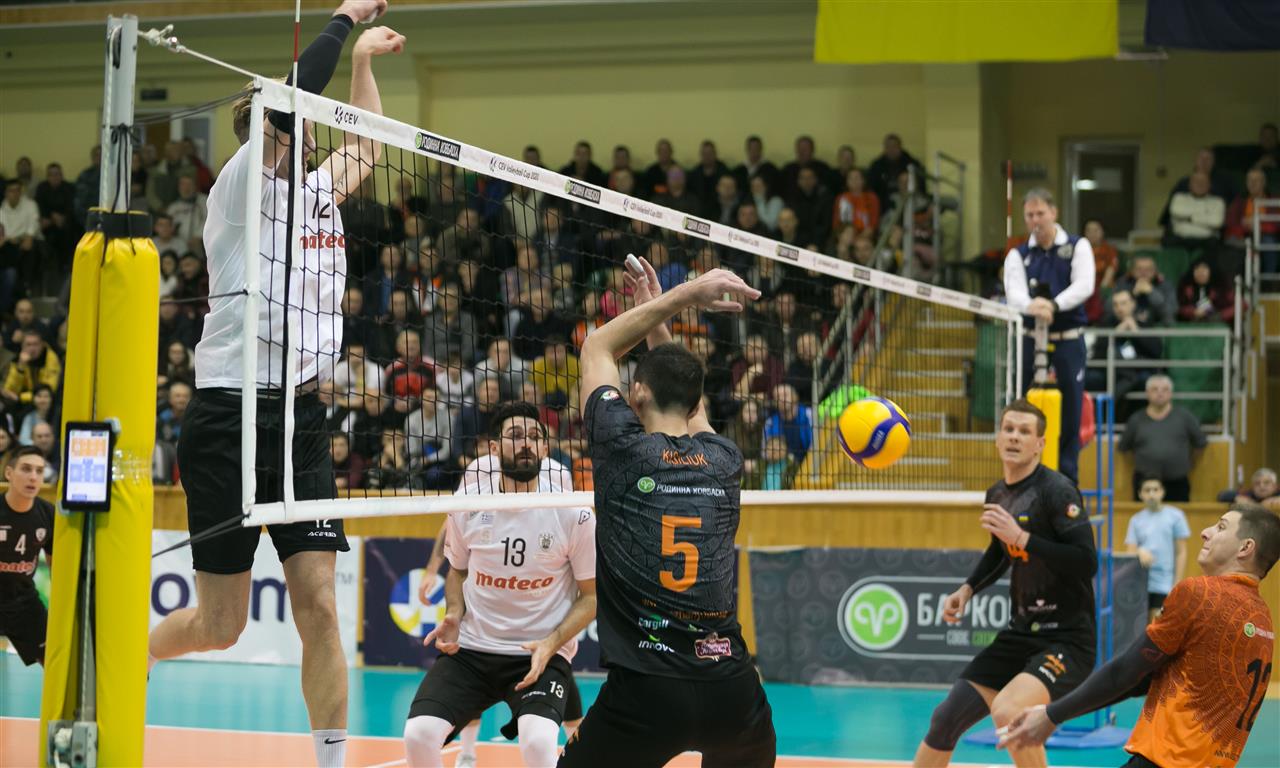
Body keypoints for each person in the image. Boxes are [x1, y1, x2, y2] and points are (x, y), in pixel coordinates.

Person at [146, 7, 402, 767]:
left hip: (302, 418)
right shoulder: (238, 188)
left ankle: (331, 761)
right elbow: (291, 99)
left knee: (319, 605)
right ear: (270, 130)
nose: (311, 133)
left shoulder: (319, 193)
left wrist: (363, 63)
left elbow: (368, 143)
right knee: (221, 625)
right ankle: (135, 653)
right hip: (229, 414)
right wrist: (343, 18)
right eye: (297, 124)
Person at [560, 256, 775, 767]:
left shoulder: (621, 448)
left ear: (636, 393)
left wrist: (680, 297)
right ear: (696, 403)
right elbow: (690, 404)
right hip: (733, 691)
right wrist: (661, 316)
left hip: (648, 692)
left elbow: (596, 347)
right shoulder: (724, 459)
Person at [1000, 504, 1279, 768]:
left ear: (1245, 547)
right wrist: (1056, 713)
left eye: (1221, 527)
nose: (1205, 532)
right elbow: (1142, 679)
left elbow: (1125, 672)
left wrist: (1050, 716)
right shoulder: (1263, 619)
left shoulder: (1200, 593)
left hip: (1166, 760)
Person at [405, 401, 597, 768]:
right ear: (494, 448)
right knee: (419, 735)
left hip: (540, 651)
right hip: (473, 649)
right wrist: (454, 612)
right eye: (515, 436)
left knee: (538, 744)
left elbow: (591, 598)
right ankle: (468, 753)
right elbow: (457, 571)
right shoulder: (469, 502)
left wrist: (552, 643)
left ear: (545, 448)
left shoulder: (574, 511)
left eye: (535, 437)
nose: (526, 443)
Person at [912, 400, 1096, 768]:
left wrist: (1023, 538)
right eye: (1008, 429)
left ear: (1039, 444)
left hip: (1067, 639)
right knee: (946, 718)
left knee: (1009, 711)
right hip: (1021, 633)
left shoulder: (1057, 491)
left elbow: (1086, 562)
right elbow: (1000, 551)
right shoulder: (998, 493)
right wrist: (968, 589)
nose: (1014, 437)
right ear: (998, 439)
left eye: (1024, 431)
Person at [1003, 188, 1094, 484]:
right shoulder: (1018, 254)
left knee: (1070, 412)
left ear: (1054, 213)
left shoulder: (1077, 246)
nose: (1035, 220)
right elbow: (1014, 293)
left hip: (1068, 338)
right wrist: (1034, 306)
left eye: (1040, 213)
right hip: (1030, 337)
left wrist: (1053, 305)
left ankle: (1067, 483)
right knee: (1022, 407)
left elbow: (1084, 285)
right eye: (1029, 215)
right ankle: (1022, 478)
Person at [0, 447, 54, 667]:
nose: (33, 477)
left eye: (39, 471)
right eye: (26, 469)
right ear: (9, 473)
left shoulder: (48, 515)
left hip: (22, 602)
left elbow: (56, 567)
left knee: (55, 661)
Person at [1119, 375, 1206, 502]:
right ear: (1147, 393)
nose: (1160, 393)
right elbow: (1124, 448)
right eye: (1155, 389)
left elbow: (1200, 444)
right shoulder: (1136, 419)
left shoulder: (1185, 417)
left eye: (1165, 389)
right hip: (1145, 483)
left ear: (1171, 393)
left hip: (1177, 483)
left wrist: (1187, 463)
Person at [1125, 477, 1190, 621]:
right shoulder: (1135, 520)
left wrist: (1176, 584)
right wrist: (1139, 551)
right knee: (1139, 627)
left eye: (1155, 489)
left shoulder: (1176, 516)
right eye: (1147, 490)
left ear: (1162, 492)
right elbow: (1130, 552)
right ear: (1140, 494)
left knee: (1157, 624)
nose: (1152, 494)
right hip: (1141, 582)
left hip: (1164, 583)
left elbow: (1181, 552)